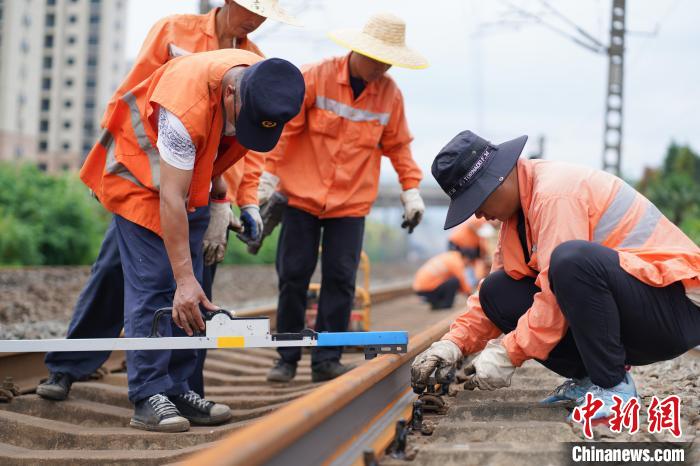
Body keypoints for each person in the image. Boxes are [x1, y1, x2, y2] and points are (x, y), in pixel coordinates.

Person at [39, 0, 298, 401]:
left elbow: (249, 149)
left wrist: (234, 202)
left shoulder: (256, 67)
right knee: (126, 275)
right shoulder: (174, 31)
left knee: (195, 283)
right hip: (143, 173)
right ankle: (69, 366)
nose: (256, 21)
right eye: (252, 10)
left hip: (202, 189)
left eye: (265, 15)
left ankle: (183, 389)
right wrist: (105, 160)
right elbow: (130, 94)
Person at [78, 49, 304, 432]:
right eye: (243, 120)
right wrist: (182, 277)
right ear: (232, 94)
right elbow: (170, 197)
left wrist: (220, 199)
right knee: (157, 285)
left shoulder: (259, 83)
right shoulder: (186, 106)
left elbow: (216, 147)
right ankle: (148, 395)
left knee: (194, 292)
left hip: (187, 183)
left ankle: (178, 387)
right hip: (140, 179)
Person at [411, 130, 700, 423]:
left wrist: (508, 353)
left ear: (495, 182)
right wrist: (453, 344)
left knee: (571, 262)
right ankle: (590, 380)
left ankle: (614, 388)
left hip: (675, 305)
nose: (480, 216)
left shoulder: (555, 195)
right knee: (497, 291)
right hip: (634, 307)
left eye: (478, 204)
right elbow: (493, 299)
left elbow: (554, 294)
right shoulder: (517, 219)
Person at [259, 13, 428, 383]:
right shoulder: (315, 77)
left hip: (350, 203)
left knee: (340, 279)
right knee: (293, 275)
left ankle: (326, 359)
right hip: (302, 196)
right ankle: (286, 357)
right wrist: (268, 176)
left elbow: (398, 146)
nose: (383, 66)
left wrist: (410, 189)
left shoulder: (389, 94)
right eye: (378, 57)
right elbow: (285, 132)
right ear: (359, 50)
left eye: (388, 60)